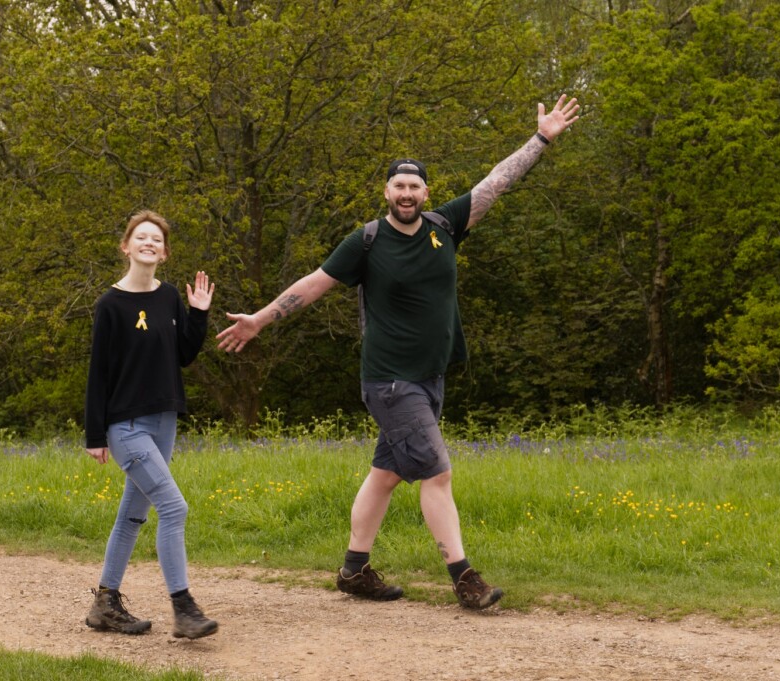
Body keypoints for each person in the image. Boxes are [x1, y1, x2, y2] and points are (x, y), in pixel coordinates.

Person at [217, 95, 580, 609]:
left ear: (425, 192)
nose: (406, 193)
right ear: (386, 192)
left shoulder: (446, 226)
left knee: (386, 474)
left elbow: (498, 182)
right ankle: (464, 578)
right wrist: (260, 318)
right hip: (389, 381)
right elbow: (314, 284)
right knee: (437, 471)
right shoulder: (365, 242)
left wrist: (541, 138)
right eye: (398, 186)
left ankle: (353, 571)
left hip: (430, 376)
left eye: (414, 186)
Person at [83, 210, 219, 639]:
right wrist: (95, 435)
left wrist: (197, 314)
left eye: (156, 239)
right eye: (141, 237)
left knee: (132, 514)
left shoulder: (169, 297)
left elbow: (183, 354)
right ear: (126, 247)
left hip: (164, 421)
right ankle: (184, 608)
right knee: (174, 507)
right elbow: (98, 373)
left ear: (164, 252)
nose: (149, 243)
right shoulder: (110, 305)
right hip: (125, 426)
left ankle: (105, 604)